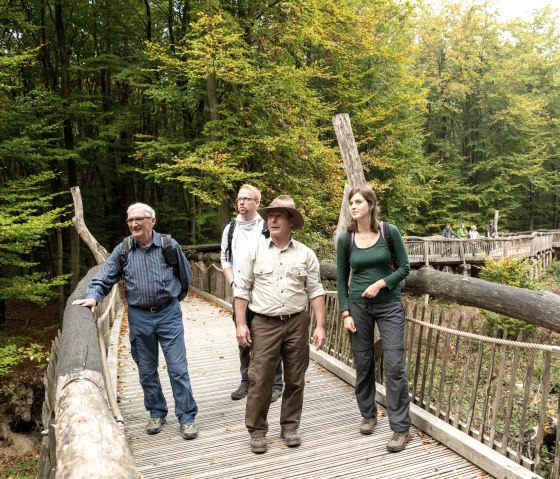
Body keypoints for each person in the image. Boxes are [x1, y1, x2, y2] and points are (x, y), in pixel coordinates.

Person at [72, 203, 199, 440]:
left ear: (153, 221)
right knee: (146, 370)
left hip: (168, 314)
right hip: (139, 316)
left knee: (178, 368)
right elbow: (105, 276)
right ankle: (156, 412)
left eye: (139, 219)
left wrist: (173, 299)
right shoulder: (124, 249)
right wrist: (92, 297)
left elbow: (185, 276)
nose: (134, 224)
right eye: (130, 220)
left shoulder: (169, 245)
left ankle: (187, 417)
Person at [233, 195, 327, 454]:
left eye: (279, 215)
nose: (272, 219)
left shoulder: (306, 254)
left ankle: (290, 426)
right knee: (260, 378)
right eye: (270, 215)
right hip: (264, 322)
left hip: (297, 321)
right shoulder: (254, 250)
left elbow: (315, 290)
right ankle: (257, 430)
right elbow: (241, 290)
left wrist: (320, 326)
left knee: (296, 378)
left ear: (291, 222)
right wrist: (241, 325)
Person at [336, 186, 411, 453]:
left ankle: (400, 428)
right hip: (358, 307)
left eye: (357, 202)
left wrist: (382, 283)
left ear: (370, 204)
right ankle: (368, 414)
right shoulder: (346, 238)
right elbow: (341, 277)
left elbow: (405, 267)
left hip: (389, 305)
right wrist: (345, 312)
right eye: (350, 203)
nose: (352, 206)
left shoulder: (389, 232)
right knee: (364, 362)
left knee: (394, 365)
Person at [220, 184, 284, 402]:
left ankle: (276, 383)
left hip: (265, 293)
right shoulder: (230, 229)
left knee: (271, 339)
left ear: (257, 203)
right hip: (241, 293)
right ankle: (246, 381)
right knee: (243, 337)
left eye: (247, 199)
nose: (241, 202)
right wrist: (233, 281)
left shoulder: (266, 227)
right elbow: (225, 259)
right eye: (239, 199)